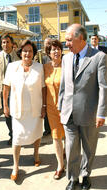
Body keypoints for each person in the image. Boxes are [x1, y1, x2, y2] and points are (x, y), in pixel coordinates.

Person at [58, 24, 107, 190]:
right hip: (69, 113)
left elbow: (104, 87)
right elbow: (64, 87)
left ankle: (86, 174)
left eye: (69, 40)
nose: (66, 44)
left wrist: (101, 113)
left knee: (89, 148)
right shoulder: (66, 59)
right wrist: (61, 107)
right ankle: (73, 178)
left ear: (81, 38)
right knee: (72, 147)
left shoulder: (99, 57)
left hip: (89, 113)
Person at [3, 39, 46, 181]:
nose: (27, 53)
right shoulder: (12, 67)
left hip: (35, 109)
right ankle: (15, 166)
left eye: (30, 51)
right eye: (25, 51)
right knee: (17, 138)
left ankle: (36, 154)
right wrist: (5, 105)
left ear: (34, 53)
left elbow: (43, 88)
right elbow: (6, 87)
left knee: (37, 133)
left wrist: (44, 106)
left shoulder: (40, 67)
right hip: (18, 110)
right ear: (20, 52)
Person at [44, 39, 65, 180]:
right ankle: (60, 166)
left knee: (69, 136)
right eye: (53, 49)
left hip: (67, 107)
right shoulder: (45, 67)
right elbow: (43, 88)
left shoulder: (68, 66)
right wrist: (43, 106)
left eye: (58, 48)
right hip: (51, 108)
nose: (56, 51)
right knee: (56, 137)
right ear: (49, 53)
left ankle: (68, 155)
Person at [0, 34, 20, 145]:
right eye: (3, 42)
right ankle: (12, 135)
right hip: (5, 92)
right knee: (7, 114)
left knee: (18, 114)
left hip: (17, 91)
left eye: (7, 42)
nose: (5, 44)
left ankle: (19, 134)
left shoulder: (18, 57)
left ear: (12, 44)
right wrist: (1, 88)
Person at [35, 37, 52, 137]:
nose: (47, 45)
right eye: (46, 44)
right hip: (43, 86)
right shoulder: (41, 57)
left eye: (49, 43)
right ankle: (47, 128)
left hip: (53, 85)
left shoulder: (55, 55)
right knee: (44, 107)